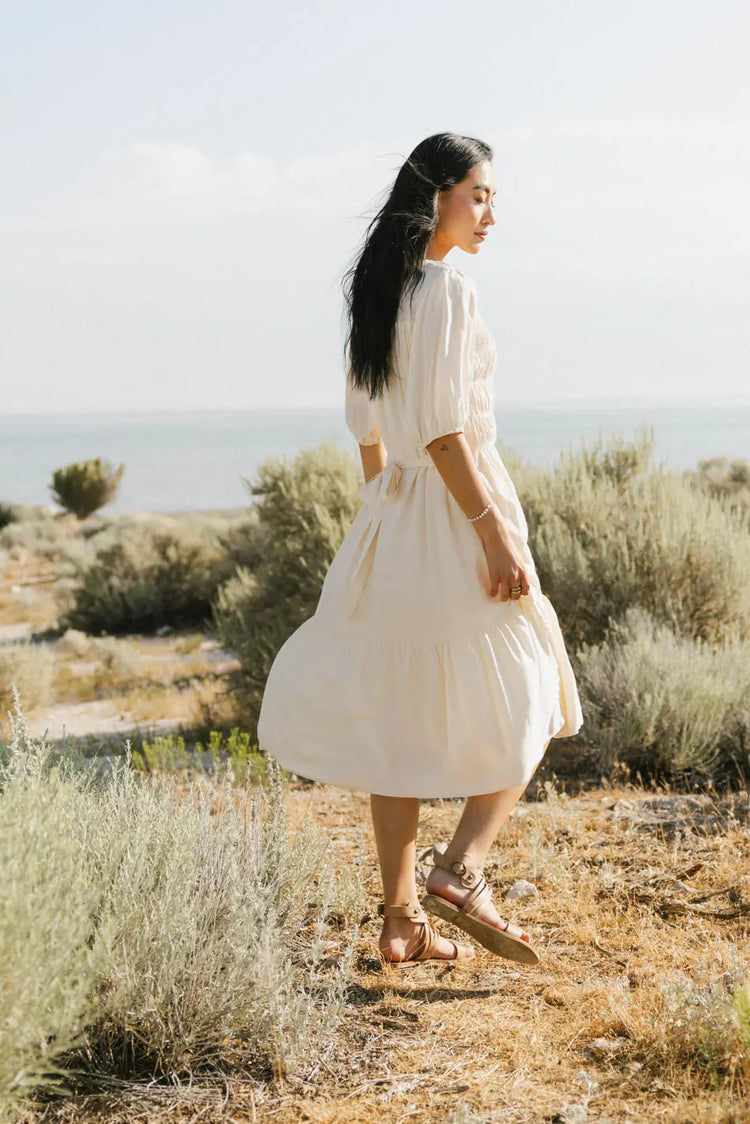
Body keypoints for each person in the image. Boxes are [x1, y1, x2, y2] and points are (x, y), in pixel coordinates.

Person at [257, 132, 583, 967]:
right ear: (433, 195)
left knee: (399, 717)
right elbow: (443, 431)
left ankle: (400, 919)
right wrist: (493, 531)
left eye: (493, 199)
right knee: (534, 681)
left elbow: (369, 431)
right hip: (450, 512)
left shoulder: (378, 293)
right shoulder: (445, 288)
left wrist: (382, 507)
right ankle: (462, 867)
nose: (490, 214)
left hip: (395, 517)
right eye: (479, 195)